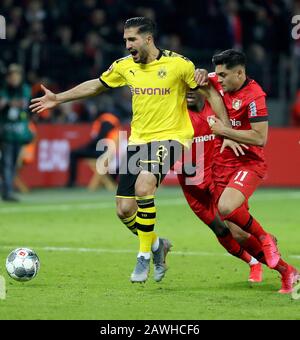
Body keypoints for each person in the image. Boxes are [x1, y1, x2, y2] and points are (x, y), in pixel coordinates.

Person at [30, 17, 230, 283]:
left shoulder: (179, 65)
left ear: (148, 39)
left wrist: (226, 130)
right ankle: (159, 245)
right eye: (125, 40)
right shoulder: (124, 67)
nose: (127, 45)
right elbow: (96, 85)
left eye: (132, 39)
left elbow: (211, 93)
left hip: (172, 137)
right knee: (124, 210)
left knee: (144, 187)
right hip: (139, 141)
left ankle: (143, 256)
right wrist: (59, 97)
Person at [195, 49, 299, 293]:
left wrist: (225, 132)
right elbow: (197, 79)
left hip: (247, 162)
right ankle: (287, 272)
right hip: (221, 165)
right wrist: (198, 73)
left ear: (240, 73)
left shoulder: (254, 96)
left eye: (223, 75)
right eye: (216, 74)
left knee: (226, 208)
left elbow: (260, 137)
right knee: (240, 236)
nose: (218, 79)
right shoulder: (215, 80)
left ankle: (265, 237)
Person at [178, 90, 263, 282]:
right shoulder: (175, 115)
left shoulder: (216, 109)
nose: (189, 90)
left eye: (193, 86)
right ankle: (253, 263)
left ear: (203, 90)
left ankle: (280, 265)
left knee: (239, 232)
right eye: (184, 87)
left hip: (219, 178)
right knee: (220, 230)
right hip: (192, 185)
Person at [0, 64, 33, 202]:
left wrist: (9, 103)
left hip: (19, 134)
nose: (14, 78)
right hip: (5, 133)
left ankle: (7, 189)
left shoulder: (25, 89)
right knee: (7, 162)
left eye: (16, 75)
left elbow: (24, 104)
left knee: (13, 163)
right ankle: (7, 192)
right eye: (11, 76)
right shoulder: (3, 89)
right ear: (8, 77)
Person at [66, 111, 120, 189]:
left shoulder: (106, 121)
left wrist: (85, 147)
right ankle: (110, 181)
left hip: (105, 151)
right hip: (109, 151)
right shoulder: (111, 120)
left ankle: (72, 182)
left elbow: (99, 139)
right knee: (75, 153)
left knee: (74, 153)